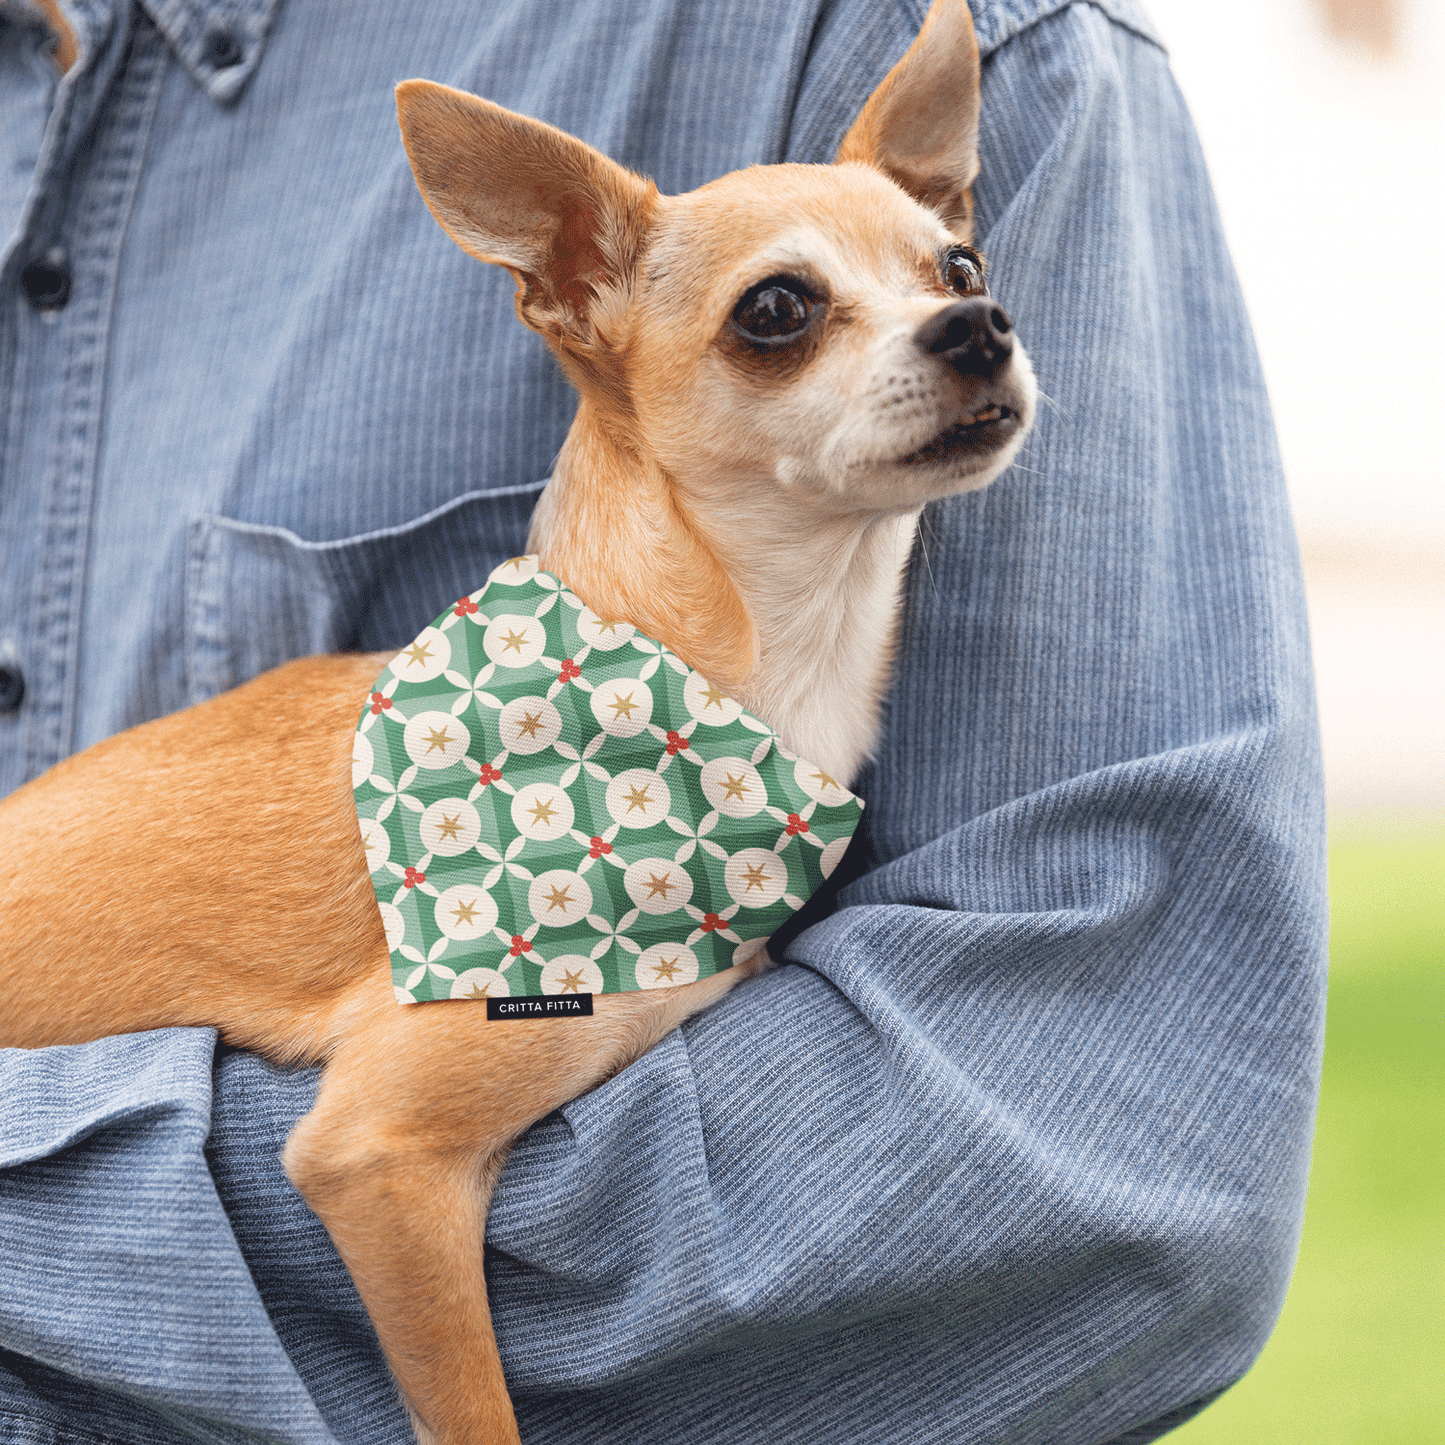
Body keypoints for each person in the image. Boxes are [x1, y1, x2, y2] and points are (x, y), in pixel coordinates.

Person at [0, 0, 1327, 1441]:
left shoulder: (644, 798)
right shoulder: (574, 862)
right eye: (782, 317)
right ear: (578, 291)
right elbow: (379, 1159)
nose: (957, 324)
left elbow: (1109, 1185)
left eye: (950, 269)